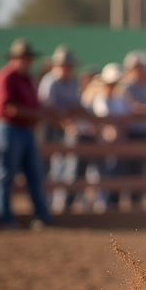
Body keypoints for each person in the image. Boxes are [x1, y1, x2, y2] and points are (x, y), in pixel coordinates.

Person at [0, 39, 52, 228]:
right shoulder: (6, 76)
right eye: (24, 58)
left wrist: (41, 112)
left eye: (28, 58)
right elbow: (7, 108)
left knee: (34, 174)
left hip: (24, 129)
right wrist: (36, 114)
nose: (27, 62)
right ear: (14, 59)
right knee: (5, 174)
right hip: (8, 128)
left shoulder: (26, 78)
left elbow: (34, 103)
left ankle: (42, 216)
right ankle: (4, 218)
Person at [38, 45, 87, 212]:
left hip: (66, 128)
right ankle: (47, 204)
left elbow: (76, 105)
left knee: (65, 165)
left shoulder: (72, 82)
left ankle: (61, 203)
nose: (67, 68)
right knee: (48, 167)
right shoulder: (49, 81)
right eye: (63, 65)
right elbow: (48, 108)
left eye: (69, 66)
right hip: (49, 129)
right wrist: (66, 122)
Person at [90, 63, 129, 210]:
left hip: (117, 142)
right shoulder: (100, 99)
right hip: (103, 143)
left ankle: (112, 203)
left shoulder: (118, 99)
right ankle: (102, 202)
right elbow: (106, 121)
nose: (113, 86)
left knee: (116, 171)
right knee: (103, 172)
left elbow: (125, 116)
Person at [119, 51, 146, 207]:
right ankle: (126, 201)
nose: (140, 70)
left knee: (142, 168)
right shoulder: (126, 86)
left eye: (141, 67)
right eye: (136, 67)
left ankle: (137, 200)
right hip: (131, 132)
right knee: (129, 168)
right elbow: (130, 107)